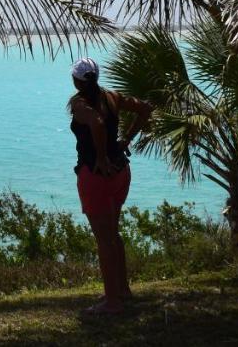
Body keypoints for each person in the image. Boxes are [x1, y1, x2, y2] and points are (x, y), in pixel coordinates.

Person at [68, 56, 152, 314]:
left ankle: (112, 302)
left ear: (76, 80)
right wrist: (126, 139)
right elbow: (146, 108)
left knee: (104, 240)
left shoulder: (80, 104)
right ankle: (123, 290)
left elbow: (97, 123)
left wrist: (101, 156)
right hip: (120, 172)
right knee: (113, 234)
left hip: (96, 177)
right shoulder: (112, 96)